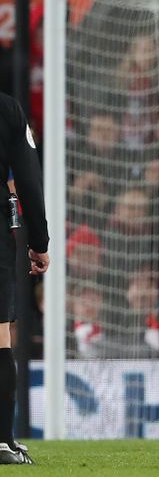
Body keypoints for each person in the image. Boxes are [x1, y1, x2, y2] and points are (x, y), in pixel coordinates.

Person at [0, 93, 48, 465]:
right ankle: (2, 442)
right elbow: (28, 179)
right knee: (0, 335)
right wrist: (39, 242)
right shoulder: (8, 109)